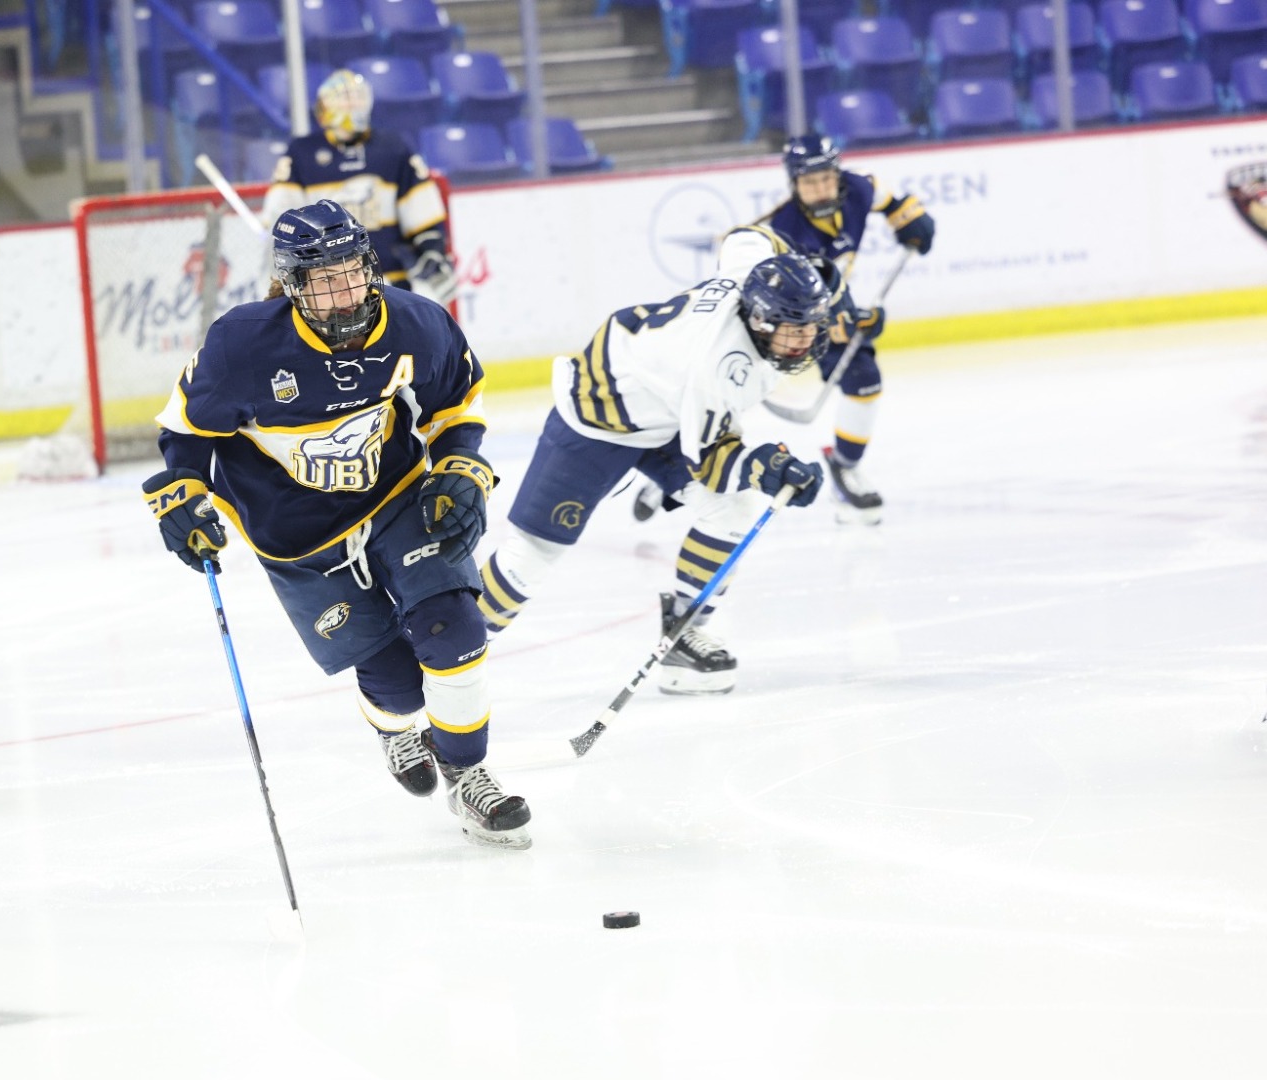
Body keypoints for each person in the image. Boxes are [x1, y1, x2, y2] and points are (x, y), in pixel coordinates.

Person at [143, 199, 528, 849]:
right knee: (400, 687)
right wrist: (180, 493)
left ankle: (468, 776)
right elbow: (187, 429)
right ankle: (393, 727)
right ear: (293, 286)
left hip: (396, 492)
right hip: (293, 528)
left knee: (454, 629)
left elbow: (456, 402)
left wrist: (462, 465)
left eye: (351, 271)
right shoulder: (244, 345)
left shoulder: (416, 324)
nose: (343, 292)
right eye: (322, 280)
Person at [475, 240, 832, 695]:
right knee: (531, 558)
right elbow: (712, 464)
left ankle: (682, 637)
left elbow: (746, 239)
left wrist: (818, 273)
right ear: (761, 319)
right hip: (599, 417)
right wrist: (771, 466)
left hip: (665, 407)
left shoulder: (754, 282)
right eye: (793, 329)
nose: (806, 340)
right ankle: (449, 657)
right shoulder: (716, 365)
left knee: (734, 511)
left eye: (811, 326)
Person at [759, 134, 936, 525]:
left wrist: (910, 220)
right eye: (810, 183)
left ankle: (844, 467)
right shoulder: (787, 232)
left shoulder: (857, 187)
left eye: (826, 178)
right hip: (784, 318)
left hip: (827, 298)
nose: (821, 190)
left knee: (864, 380)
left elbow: (890, 199)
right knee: (733, 392)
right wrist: (852, 321)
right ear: (794, 184)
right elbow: (807, 306)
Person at [263, 69, 458, 303]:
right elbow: (282, 219)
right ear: (325, 107)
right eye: (344, 98)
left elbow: (422, 208)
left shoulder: (393, 147)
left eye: (357, 97)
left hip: (390, 278)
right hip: (327, 282)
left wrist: (431, 249)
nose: (352, 104)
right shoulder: (302, 153)